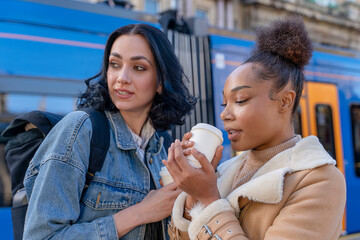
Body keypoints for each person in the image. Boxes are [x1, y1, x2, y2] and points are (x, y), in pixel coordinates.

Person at [164, 15, 346, 240]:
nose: (224, 114)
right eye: (224, 103)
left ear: (285, 101)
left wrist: (209, 199)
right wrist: (194, 195)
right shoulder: (226, 170)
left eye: (240, 100)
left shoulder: (320, 180)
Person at [23, 23, 197, 240]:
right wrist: (140, 213)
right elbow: (41, 236)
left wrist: (192, 178)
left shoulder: (162, 144)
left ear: (160, 82)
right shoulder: (81, 129)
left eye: (139, 68)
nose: (122, 77)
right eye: (114, 64)